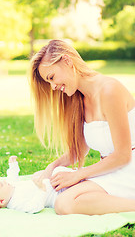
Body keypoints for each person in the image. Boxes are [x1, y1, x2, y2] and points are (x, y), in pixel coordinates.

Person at [30, 39, 135, 215]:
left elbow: (123, 155)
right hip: (113, 170)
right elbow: (78, 151)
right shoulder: (79, 99)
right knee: (57, 181)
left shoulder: (109, 90)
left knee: (65, 204)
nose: (53, 87)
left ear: (67, 61)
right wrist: (50, 169)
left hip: (129, 168)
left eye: (52, 78)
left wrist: (79, 174)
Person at [0, 156, 75, 213]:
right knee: (70, 187)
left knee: (58, 171)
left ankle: (80, 174)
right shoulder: (16, 203)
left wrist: (13, 165)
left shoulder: (10, 187)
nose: (4, 182)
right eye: (1, 185)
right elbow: (35, 207)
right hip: (56, 194)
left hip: (52, 183)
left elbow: (12, 177)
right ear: (1, 201)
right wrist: (42, 189)